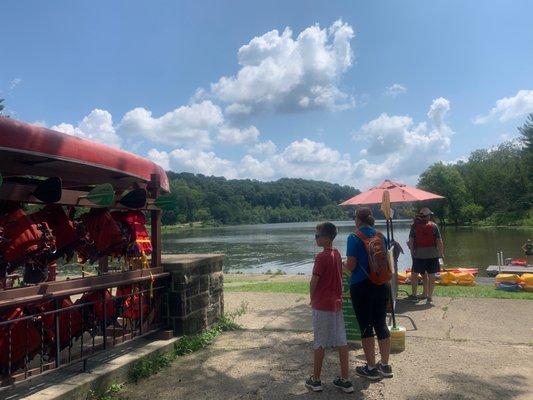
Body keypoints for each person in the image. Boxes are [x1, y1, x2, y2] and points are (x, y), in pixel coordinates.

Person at [344, 207, 392, 380]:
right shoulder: (381, 236)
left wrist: (341, 266)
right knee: (381, 324)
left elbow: (351, 265)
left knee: (366, 326)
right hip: (382, 284)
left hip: (362, 287)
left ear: (358, 220)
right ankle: (385, 366)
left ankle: (371, 368)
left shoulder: (353, 237)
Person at [305, 222, 354, 393]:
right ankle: (346, 379)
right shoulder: (337, 254)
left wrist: (312, 298)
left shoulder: (321, 257)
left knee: (319, 342)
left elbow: (314, 281)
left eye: (317, 236)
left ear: (326, 238)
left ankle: (316, 379)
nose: (315, 238)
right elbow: (341, 274)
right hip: (336, 304)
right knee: (342, 341)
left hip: (322, 304)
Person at [407, 207, 444, 304]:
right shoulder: (434, 226)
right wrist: (441, 253)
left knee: (415, 274)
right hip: (432, 255)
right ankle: (429, 297)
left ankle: (414, 295)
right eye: (430, 215)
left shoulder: (414, 226)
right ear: (428, 216)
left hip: (418, 255)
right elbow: (439, 241)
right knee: (431, 275)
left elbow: (411, 241)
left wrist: (412, 253)